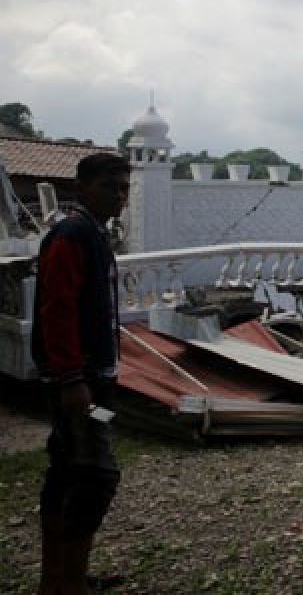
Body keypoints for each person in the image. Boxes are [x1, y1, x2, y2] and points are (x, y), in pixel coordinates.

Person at [32, 153, 130, 595]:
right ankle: (66, 581)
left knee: (68, 470)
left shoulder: (92, 234)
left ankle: (60, 575)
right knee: (95, 476)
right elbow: (58, 307)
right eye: (110, 187)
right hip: (79, 381)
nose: (120, 196)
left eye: (125, 188)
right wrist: (71, 378)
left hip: (92, 375)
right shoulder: (73, 235)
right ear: (82, 187)